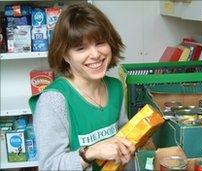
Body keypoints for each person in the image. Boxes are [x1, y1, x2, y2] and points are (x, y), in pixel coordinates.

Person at [29, 3, 136, 170]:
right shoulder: (53, 101)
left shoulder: (116, 88)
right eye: (80, 48)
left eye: (100, 43)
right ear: (64, 54)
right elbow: (49, 166)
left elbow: (123, 138)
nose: (95, 55)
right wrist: (90, 152)